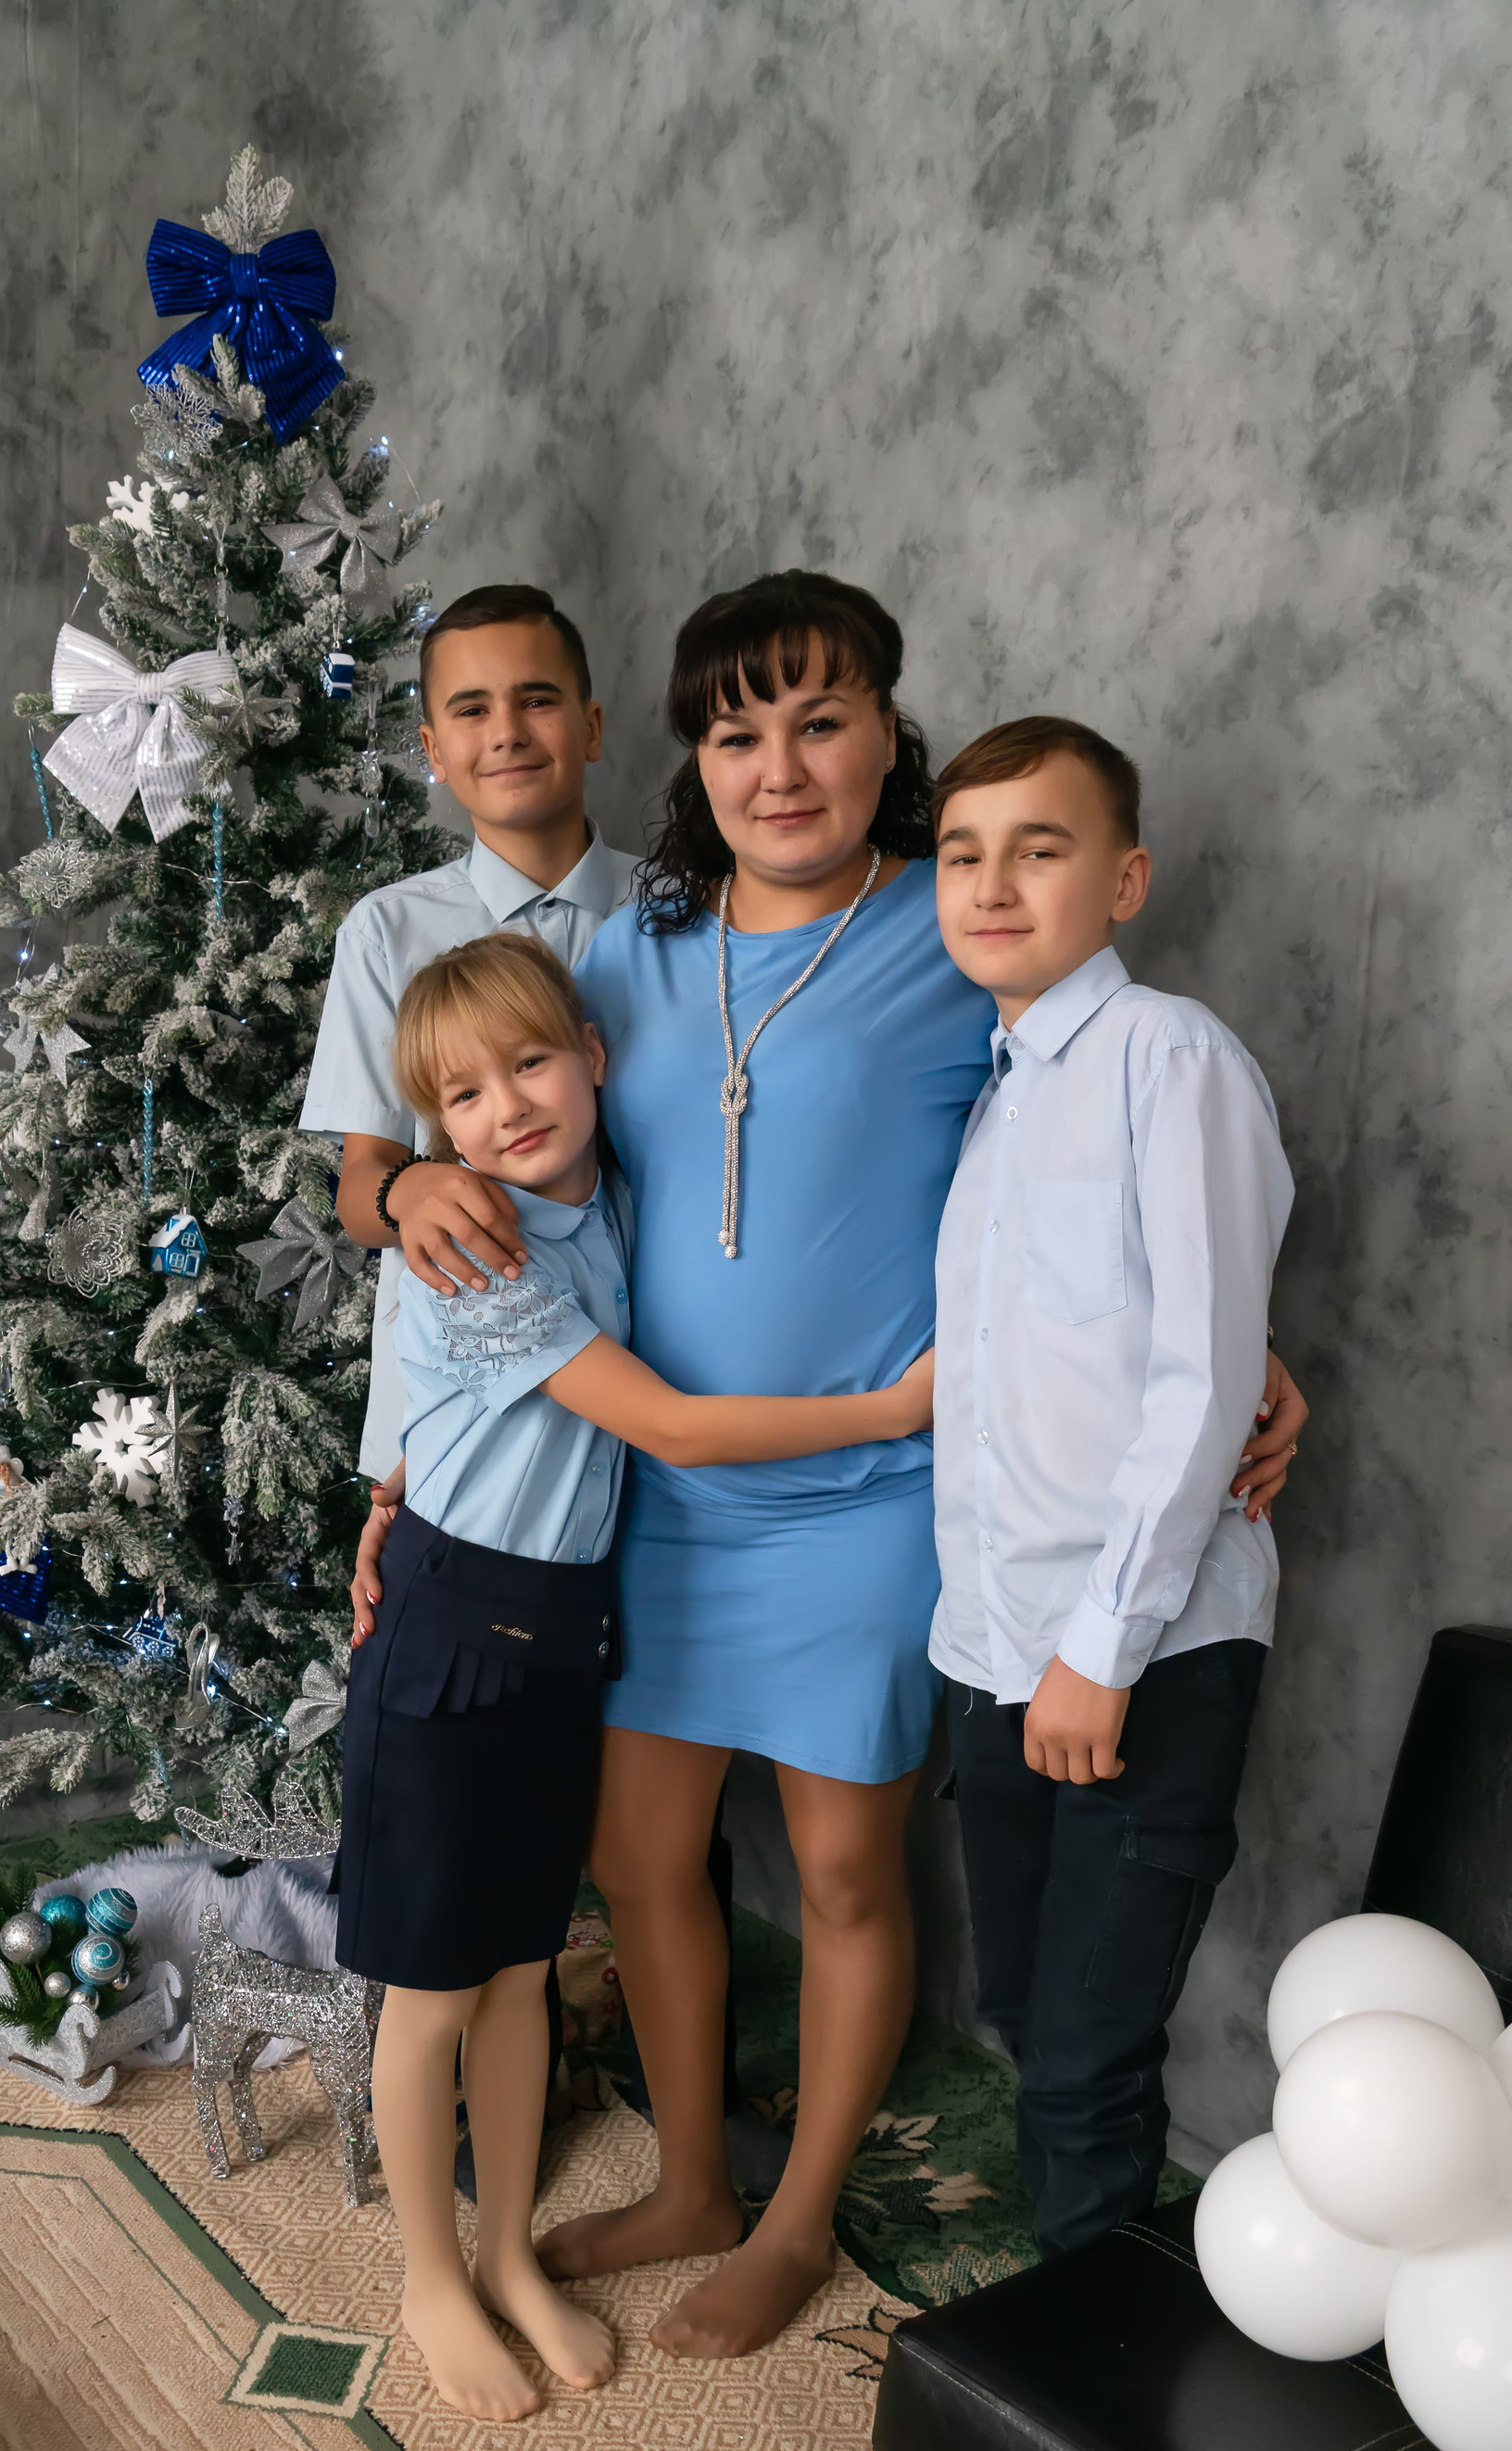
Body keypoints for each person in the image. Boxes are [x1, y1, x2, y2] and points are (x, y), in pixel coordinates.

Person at [369, 571, 1309, 2360]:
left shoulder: (955, 935)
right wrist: (404, 1187)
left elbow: (1098, 1178)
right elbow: (492, 1159)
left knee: (848, 1867)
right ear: (696, 761)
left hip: (878, 1501)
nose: (782, 766)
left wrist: (1251, 1350)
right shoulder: (625, 954)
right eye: (739, 734)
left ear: (889, 734)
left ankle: (796, 2217)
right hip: (657, 1495)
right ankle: (693, 2178)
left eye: (821, 722)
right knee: (643, 1854)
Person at [342, 929, 938, 2421]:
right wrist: (896, 1407)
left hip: (564, 1634)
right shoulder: (479, 1248)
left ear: (596, 1057)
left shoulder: (603, 1200)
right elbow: (666, 1424)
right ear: (435, 1129)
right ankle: (432, 2277)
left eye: (532, 1064)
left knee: (522, 1969)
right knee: (434, 1987)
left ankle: (508, 2251)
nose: (507, 1108)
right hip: (452, 1630)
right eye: (463, 1098)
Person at [926, 717, 1295, 2255]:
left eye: (1041, 847)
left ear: (1124, 879)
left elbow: (1205, 1375)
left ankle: (1085, 2349)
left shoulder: (1172, 1057)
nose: (993, 882)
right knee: (1020, 2004)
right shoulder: (997, 1097)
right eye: (962, 852)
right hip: (996, 1641)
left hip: (1142, 1649)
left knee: (1087, 2059)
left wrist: (1101, 1645)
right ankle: (1054, 2330)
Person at [302, 580, 634, 1482]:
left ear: (591, 726)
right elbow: (361, 1188)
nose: (507, 732)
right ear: (434, 751)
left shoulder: (679, 911)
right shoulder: (387, 932)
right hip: (460, 1423)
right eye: (472, 709)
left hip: (652, 1380)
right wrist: (411, 1190)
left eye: (538, 700)